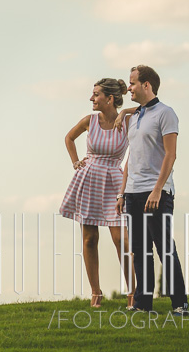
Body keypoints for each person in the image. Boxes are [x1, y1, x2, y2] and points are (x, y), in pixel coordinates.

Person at [116, 64, 189, 315]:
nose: (129, 87)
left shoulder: (166, 113)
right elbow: (130, 159)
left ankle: (179, 303)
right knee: (139, 251)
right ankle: (142, 304)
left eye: (133, 83)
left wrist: (158, 190)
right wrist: (121, 193)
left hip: (157, 192)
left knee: (164, 248)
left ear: (146, 85)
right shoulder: (134, 117)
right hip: (133, 193)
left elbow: (171, 155)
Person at [59, 78, 134, 308]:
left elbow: (147, 108)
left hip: (114, 180)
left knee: (121, 240)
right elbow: (69, 138)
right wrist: (75, 162)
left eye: (96, 94)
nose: (91, 98)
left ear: (109, 99)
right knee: (90, 239)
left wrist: (126, 112)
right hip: (89, 178)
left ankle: (133, 292)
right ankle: (96, 293)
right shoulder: (89, 121)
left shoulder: (129, 121)